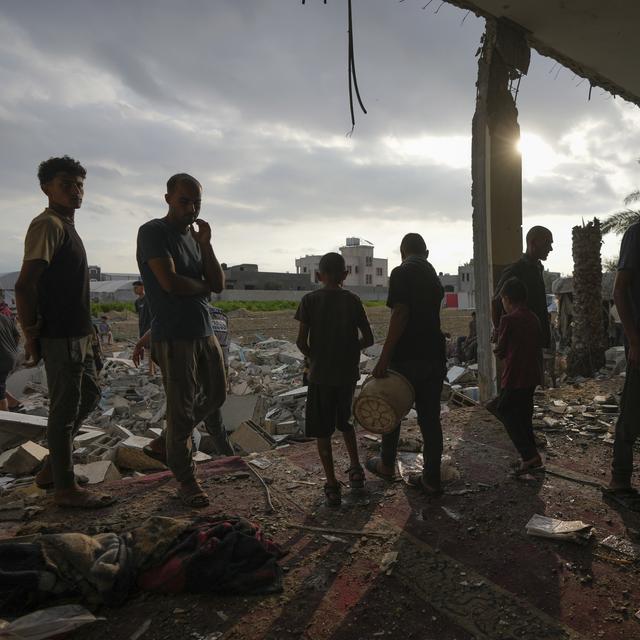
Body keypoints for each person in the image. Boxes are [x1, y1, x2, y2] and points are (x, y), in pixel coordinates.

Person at [14, 156, 113, 508]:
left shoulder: (67, 226)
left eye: (80, 184)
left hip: (80, 334)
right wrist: (31, 335)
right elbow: (25, 286)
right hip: (61, 336)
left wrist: (93, 338)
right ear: (47, 188)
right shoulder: (48, 225)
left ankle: (52, 470)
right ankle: (65, 488)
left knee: (87, 397)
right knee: (64, 409)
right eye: (66, 184)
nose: (76, 191)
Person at [135, 173, 227, 508]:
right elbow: (170, 283)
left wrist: (205, 245)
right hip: (174, 334)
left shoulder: (194, 238)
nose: (191, 208)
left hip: (204, 329)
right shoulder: (153, 232)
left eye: (196, 202)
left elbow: (217, 282)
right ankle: (186, 479)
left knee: (217, 393)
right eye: (184, 201)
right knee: (181, 405)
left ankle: (166, 441)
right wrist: (201, 286)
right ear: (168, 199)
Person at [367, 233, 446, 495]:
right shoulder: (433, 276)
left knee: (393, 411)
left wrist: (384, 358)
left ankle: (387, 464)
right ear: (426, 252)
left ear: (402, 252)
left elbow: (400, 313)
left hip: (407, 357)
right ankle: (431, 479)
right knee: (430, 420)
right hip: (434, 356)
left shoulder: (402, 272)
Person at [295, 252, 374, 507]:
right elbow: (369, 339)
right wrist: (349, 351)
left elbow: (300, 342)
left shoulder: (309, 300)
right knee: (346, 423)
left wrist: (315, 357)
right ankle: (356, 470)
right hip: (347, 374)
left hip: (320, 376)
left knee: (322, 430)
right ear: (345, 275)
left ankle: (331, 484)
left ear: (319, 275)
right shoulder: (353, 300)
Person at [493, 277, 543, 475]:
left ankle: (529, 455)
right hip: (532, 375)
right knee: (524, 416)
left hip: (514, 375)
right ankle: (531, 457)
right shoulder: (534, 317)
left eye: (502, 301)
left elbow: (501, 351)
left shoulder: (508, 319)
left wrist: (496, 340)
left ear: (506, 298)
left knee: (504, 410)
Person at [606, 221, 640, 511]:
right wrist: (635, 341)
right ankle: (619, 481)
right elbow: (619, 292)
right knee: (631, 412)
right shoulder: (636, 234)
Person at [492, 226, 553, 350]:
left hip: (536, 338)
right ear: (533, 242)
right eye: (547, 243)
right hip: (521, 341)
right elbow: (496, 302)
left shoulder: (538, 268)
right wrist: (499, 332)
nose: (550, 248)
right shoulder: (516, 270)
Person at [132, 280, 155, 375]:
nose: (134, 290)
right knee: (147, 349)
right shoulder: (137, 302)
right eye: (133, 288)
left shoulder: (149, 299)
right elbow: (139, 314)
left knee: (150, 349)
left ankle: (151, 371)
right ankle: (152, 369)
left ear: (142, 287)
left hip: (149, 327)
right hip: (142, 326)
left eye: (136, 287)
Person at [0, 313, 20, 411]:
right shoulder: (5, 318)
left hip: (2, 359)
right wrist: (11, 349)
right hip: (11, 356)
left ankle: (5, 419)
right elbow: (17, 336)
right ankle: (13, 402)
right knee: (1, 384)